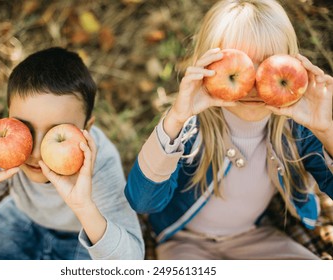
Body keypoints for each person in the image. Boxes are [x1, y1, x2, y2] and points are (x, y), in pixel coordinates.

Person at [125, 0, 333, 260]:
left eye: (270, 64)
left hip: (253, 237)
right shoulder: (190, 130)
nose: (256, 82)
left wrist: (326, 130)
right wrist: (176, 118)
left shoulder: (295, 132)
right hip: (185, 241)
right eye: (240, 65)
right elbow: (142, 202)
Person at [0, 47, 144, 260]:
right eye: (25, 129)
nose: (37, 152)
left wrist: (83, 206)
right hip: (22, 219)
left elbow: (130, 263)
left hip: (84, 235)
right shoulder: (6, 150)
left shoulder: (102, 162)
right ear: (9, 119)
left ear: (88, 128)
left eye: (55, 133)